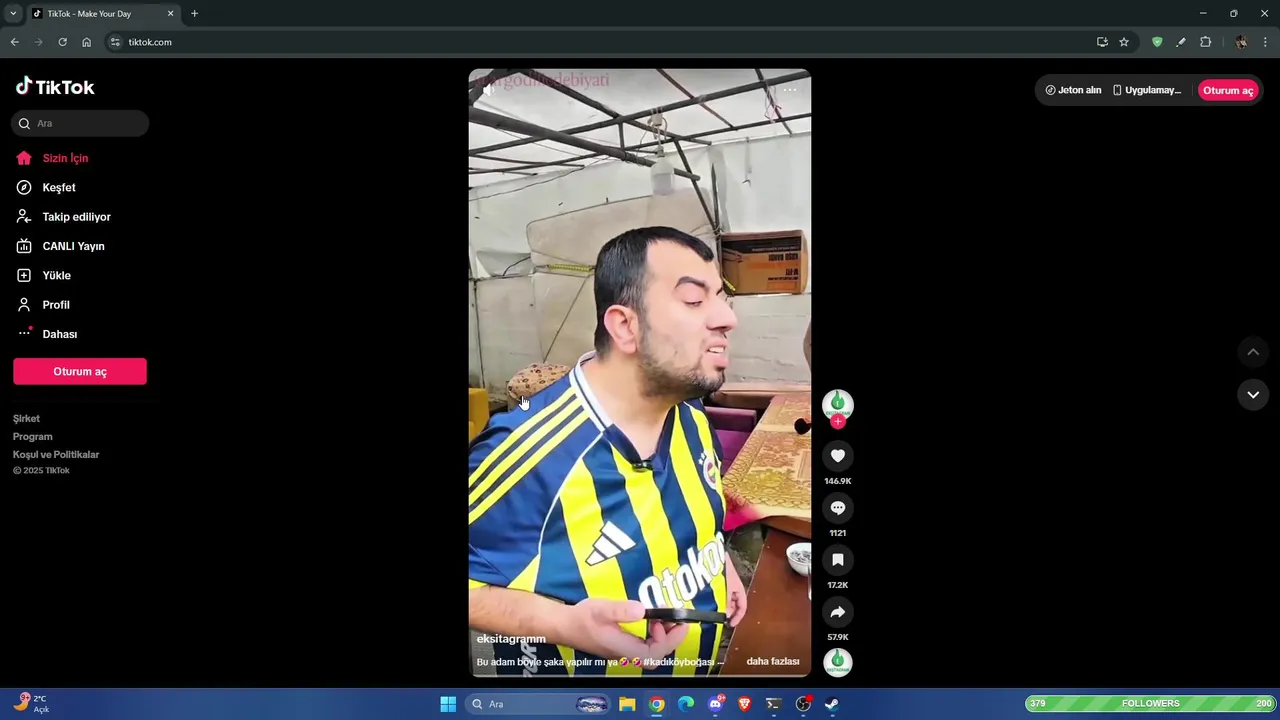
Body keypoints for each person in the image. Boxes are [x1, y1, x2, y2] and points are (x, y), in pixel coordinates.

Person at [468, 226, 748, 677]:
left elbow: (697, 514)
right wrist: (562, 625)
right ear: (625, 326)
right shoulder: (529, 454)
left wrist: (721, 566)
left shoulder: (691, 416)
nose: (726, 318)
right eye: (695, 300)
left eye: (721, 297)